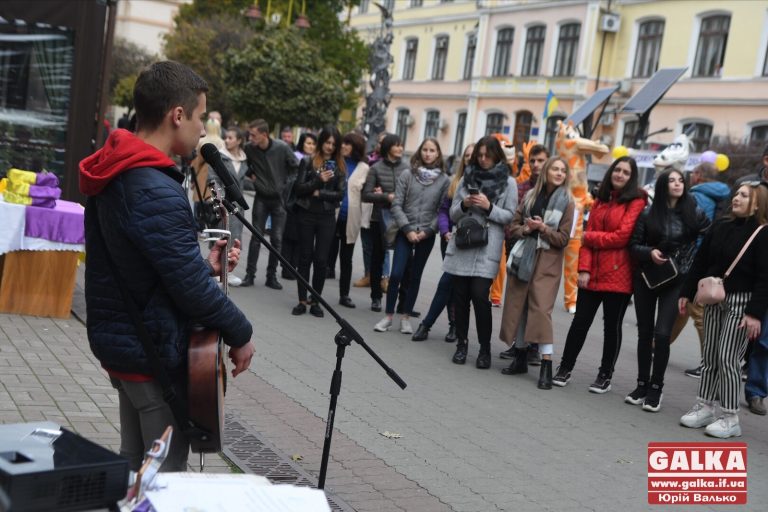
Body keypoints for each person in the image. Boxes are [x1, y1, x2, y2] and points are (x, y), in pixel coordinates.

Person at [79, 61, 255, 471]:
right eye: (200, 118)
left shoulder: (119, 166)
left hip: (127, 339)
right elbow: (187, 288)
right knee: (163, 475)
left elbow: (144, 260)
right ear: (177, 115)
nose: (202, 130)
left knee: (133, 460)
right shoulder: (152, 184)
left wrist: (203, 267)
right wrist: (240, 332)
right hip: (148, 348)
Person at [679, 183, 768, 437]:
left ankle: (730, 417)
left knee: (728, 358)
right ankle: (705, 405)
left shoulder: (763, 233)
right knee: (709, 356)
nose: (736, 198)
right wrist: (686, 292)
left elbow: (765, 277)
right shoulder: (720, 225)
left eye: (744, 195)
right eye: (737, 194)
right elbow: (701, 261)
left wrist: (754, 313)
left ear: (758, 203)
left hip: (743, 302)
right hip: (714, 297)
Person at [552, 157, 647, 390]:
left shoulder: (636, 201)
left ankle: (605, 375)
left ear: (631, 177)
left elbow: (622, 237)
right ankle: (565, 368)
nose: (620, 175)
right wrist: (583, 268)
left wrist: (591, 238)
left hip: (619, 274)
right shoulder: (600, 199)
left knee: (611, 328)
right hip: (591, 273)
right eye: (617, 170)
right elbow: (586, 238)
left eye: (626, 172)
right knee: (580, 322)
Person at [627, 169, 710, 412]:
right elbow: (633, 245)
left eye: (680, 180)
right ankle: (641, 385)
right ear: (663, 185)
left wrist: (692, 262)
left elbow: (710, 240)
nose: (677, 184)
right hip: (647, 278)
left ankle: (656, 388)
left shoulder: (694, 213)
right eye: (672, 180)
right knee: (644, 333)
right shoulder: (647, 213)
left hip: (677, 280)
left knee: (662, 334)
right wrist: (649, 252)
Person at [499, 157, 575, 388]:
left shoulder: (568, 202)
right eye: (555, 168)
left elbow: (563, 239)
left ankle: (546, 364)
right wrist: (527, 228)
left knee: (542, 311)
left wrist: (543, 229)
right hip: (524, 257)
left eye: (563, 170)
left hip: (548, 262)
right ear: (546, 171)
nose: (559, 173)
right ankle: (520, 357)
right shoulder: (531, 195)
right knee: (519, 305)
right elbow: (513, 226)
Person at [443, 136, 517, 369]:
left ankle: (484, 349)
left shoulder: (509, 182)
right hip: (463, 244)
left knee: (480, 297)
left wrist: (489, 207)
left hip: (486, 248)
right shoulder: (467, 178)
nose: (483, 159)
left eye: (488, 155)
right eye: (480, 155)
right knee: (460, 298)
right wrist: (465, 204)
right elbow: (453, 214)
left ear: (497, 156)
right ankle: (462, 345)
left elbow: (509, 216)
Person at [374, 138, 450, 333]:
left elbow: (441, 210)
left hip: (426, 233)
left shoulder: (444, 180)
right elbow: (397, 204)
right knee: (397, 273)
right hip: (404, 231)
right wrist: (407, 229)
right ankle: (389, 315)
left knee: (415, 276)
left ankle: (406, 316)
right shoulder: (407, 174)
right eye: (425, 149)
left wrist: (428, 231)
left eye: (432, 150)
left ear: (438, 154)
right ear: (419, 151)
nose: (428, 153)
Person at [669, 162, 732, 378]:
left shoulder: (698, 195)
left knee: (697, 311)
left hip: (697, 260)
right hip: (710, 259)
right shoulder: (722, 193)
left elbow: (697, 230)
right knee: (684, 306)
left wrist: (693, 262)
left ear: (698, 175)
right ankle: (657, 344)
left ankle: (709, 361)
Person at [411, 143, 475, 342]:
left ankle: (429, 324)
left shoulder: (484, 183)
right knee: (450, 282)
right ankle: (452, 326)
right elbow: (444, 210)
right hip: (449, 239)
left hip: (471, 241)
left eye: (474, 156)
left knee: (448, 283)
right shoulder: (455, 182)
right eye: (467, 156)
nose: (470, 159)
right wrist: (445, 231)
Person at [499, 143, 550, 365]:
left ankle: (534, 347)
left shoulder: (555, 192)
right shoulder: (521, 189)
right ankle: (518, 345)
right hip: (519, 252)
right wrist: (523, 232)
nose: (536, 165)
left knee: (538, 304)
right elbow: (512, 223)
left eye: (541, 160)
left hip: (544, 258)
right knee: (519, 303)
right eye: (533, 161)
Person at [291, 126, 346, 317]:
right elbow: (298, 188)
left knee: (321, 260)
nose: (330, 146)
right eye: (327, 142)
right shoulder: (307, 162)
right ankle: (301, 300)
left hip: (326, 217)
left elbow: (340, 194)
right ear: (321, 142)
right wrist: (317, 179)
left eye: (333, 143)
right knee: (305, 257)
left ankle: (316, 300)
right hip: (306, 214)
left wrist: (319, 192)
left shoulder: (339, 165)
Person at [242, 119, 299, 289]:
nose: (250, 138)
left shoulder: (281, 147)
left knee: (277, 239)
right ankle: (250, 274)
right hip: (261, 197)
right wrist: (252, 175)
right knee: (256, 237)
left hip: (279, 200)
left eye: (253, 135)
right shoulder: (249, 149)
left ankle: (271, 276)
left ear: (264, 134)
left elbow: (296, 167)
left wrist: (285, 185)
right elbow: (246, 163)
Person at [362, 134, 409, 312]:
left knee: (404, 260)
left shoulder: (407, 169)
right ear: (388, 147)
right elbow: (366, 195)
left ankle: (403, 302)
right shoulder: (375, 168)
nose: (400, 149)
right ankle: (376, 297)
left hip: (401, 219)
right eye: (397, 145)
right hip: (379, 219)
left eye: (401, 145)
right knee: (377, 258)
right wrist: (386, 196)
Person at [329, 132, 369, 308]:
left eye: (347, 144)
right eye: (342, 143)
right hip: (330, 216)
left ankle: (344, 295)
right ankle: (315, 294)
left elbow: (366, 196)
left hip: (350, 219)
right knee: (324, 256)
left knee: (346, 258)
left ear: (356, 147)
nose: (343, 146)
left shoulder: (364, 168)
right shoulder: (335, 162)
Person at [282, 132, 318, 280]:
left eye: (313, 144)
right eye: (308, 143)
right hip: (293, 200)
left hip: (307, 203)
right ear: (302, 143)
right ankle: (286, 267)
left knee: (301, 237)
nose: (310, 146)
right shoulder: (295, 157)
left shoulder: (316, 160)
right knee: (290, 236)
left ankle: (294, 267)